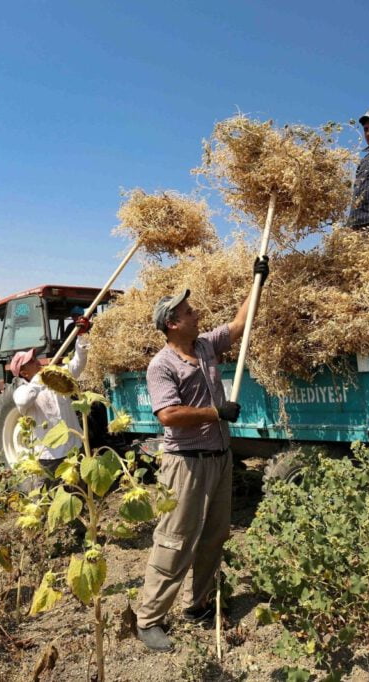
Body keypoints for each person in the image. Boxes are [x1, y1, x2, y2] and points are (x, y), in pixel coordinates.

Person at [136, 256, 269, 653]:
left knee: (214, 536)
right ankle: (149, 619)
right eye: (188, 312)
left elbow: (240, 326)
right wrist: (216, 412)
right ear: (172, 324)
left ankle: (198, 605)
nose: (196, 315)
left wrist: (256, 282)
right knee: (176, 540)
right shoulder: (162, 365)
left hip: (219, 458)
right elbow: (169, 416)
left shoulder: (206, 346)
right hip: (185, 465)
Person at [5, 314, 90, 483]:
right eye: (32, 362)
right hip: (50, 456)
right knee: (52, 499)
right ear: (23, 372)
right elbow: (23, 401)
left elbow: (77, 364)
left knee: (80, 495)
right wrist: (41, 378)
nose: (38, 363)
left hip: (74, 448)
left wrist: (81, 337)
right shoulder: (21, 391)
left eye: (36, 359)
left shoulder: (55, 378)